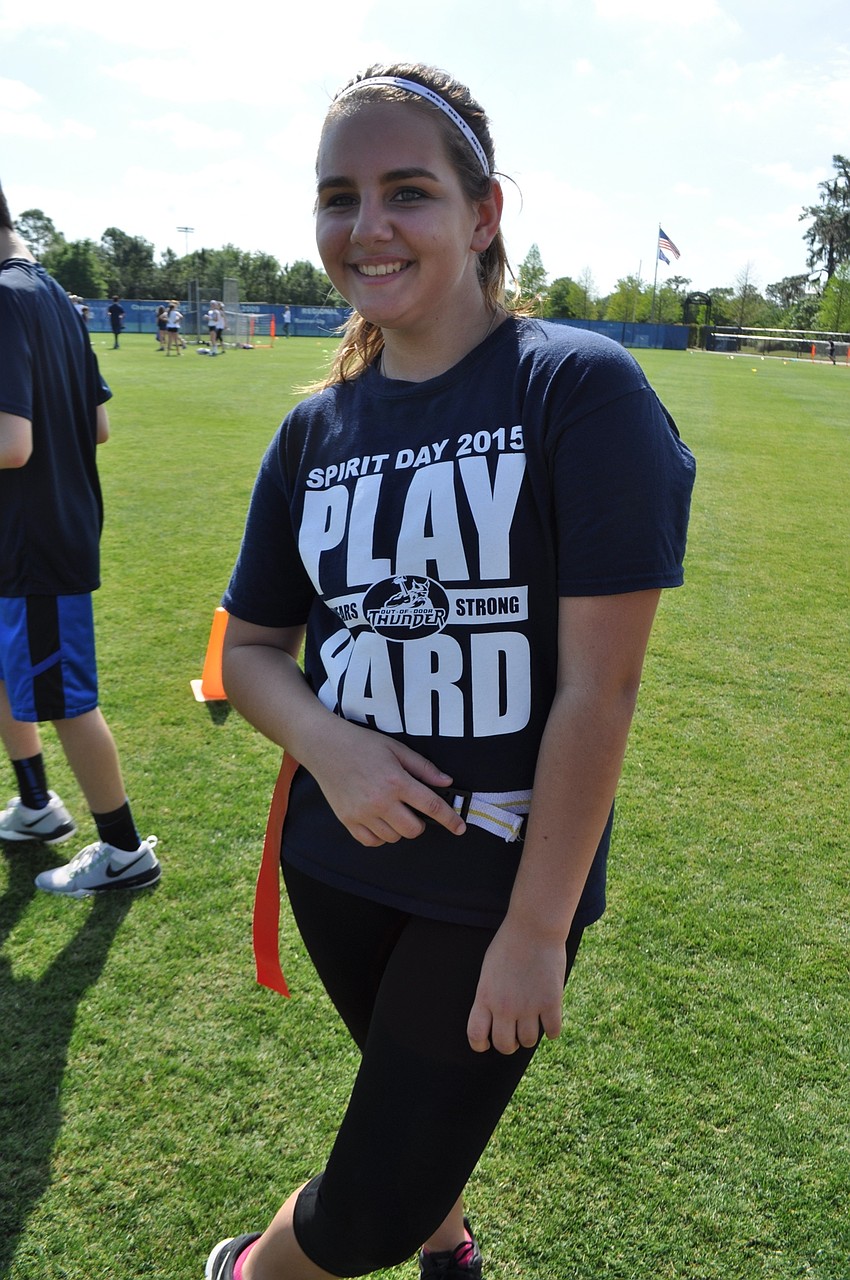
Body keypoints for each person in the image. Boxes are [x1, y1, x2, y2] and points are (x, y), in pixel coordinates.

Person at [206, 63, 695, 1280]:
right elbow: (249, 652)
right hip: (336, 859)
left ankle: (241, 1269)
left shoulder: (576, 387)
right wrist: (332, 745)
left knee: (362, 1211)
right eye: (339, 196)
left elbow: (598, 690)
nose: (366, 225)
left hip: (495, 882)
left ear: (482, 214)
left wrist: (536, 927)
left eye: (407, 191)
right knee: (411, 1126)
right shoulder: (312, 430)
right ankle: (451, 1243)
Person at [0, 181, 160, 898]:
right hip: (37, 532)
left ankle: (123, 850)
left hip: (33, 540)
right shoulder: (55, 297)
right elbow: (99, 425)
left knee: (66, 699)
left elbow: (12, 444)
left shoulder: (5, 297)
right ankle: (36, 803)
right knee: (7, 674)